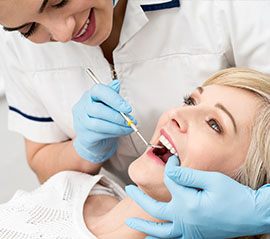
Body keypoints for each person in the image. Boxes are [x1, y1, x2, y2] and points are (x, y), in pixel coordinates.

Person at [1, 0, 270, 238]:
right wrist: (82, 150)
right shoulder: (61, 197)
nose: (63, 33)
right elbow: (41, 157)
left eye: (60, 2)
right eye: (28, 29)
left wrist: (261, 210)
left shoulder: (236, 8)